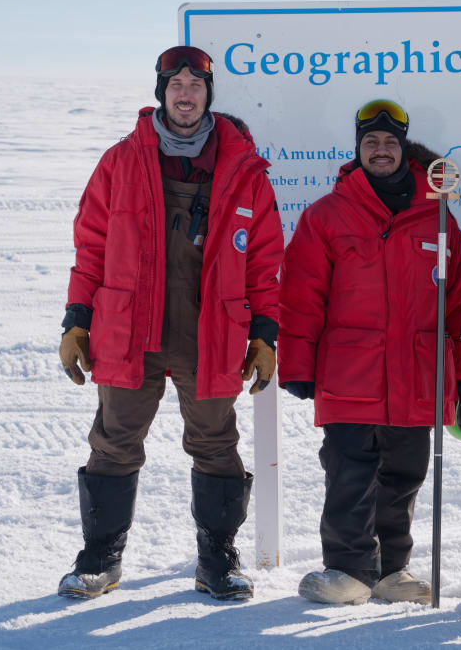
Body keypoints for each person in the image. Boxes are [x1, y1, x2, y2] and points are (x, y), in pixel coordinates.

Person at [57, 45, 283, 601]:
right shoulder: (122, 159)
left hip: (211, 329)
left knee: (215, 441)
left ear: (209, 95)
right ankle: (99, 560)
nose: (185, 94)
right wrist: (76, 319)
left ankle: (217, 561)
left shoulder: (244, 169)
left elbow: (264, 259)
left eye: (196, 86)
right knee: (113, 441)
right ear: (161, 92)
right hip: (128, 325)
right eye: (175, 84)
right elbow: (91, 246)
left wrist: (265, 332)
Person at [278, 100, 461, 606]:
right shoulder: (327, 215)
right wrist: (297, 364)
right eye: (371, 143)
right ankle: (346, 568)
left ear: (403, 148)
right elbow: (301, 294)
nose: (380, 150)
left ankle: (391, 571)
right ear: (358, 149)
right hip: (349, 370)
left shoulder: (440, 216)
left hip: (417, 371)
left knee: (404, 474)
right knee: (349, 473)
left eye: (389, 142)